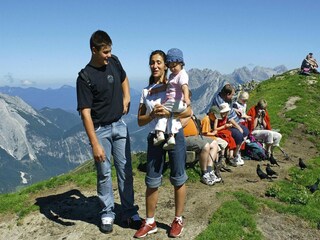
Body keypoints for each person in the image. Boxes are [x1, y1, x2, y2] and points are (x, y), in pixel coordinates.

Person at [76, 30, 141, 234]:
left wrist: (127, 96)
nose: (109, 55)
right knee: (104, 173)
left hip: (119, 125)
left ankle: (129, 211)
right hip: (100, 130)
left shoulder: (114, 61)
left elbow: (124, 78)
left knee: (125, 170)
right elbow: (85, 114)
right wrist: (94, 143)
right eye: (105, 52)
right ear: (94, 50)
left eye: (110, 51)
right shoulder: (84, 77)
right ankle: (107, 212)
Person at [134, 50, 189, 238]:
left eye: (159, 62)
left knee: (178, 177)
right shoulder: (145, 91)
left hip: (175, 133)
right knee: (152, 179)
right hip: (155, 136)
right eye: (152, 62)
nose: (155, 66)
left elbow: (188, 112)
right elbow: (140, 120)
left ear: (166, 65)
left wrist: (168, 114)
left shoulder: (174, 84)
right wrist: (152, 115)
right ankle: (150, 222)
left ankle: (178, 219)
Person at [152, 48, 191, 150]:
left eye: (175, 66)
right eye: (170, 66)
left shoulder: (182, 74)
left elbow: (184, 86)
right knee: (172, 117)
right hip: (175, 103)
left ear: (181, 63)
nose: (173, 68)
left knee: (161, 112)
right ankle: (171, 137)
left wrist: (186, 97)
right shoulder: (173, 75)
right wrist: (156, 90)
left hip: (175, 101)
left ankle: (160, 133)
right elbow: (168, 86)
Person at [180, 98, 222, 186]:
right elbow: (180, 124)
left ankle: (210, 170)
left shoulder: (188, 110)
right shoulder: (179, 112)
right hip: (185, 137)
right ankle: (204, 173)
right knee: (206, 146)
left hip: (196, 136)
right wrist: (189, 115)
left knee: (214, 144)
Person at [211, 84, 249, 166]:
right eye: (232, 95)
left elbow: (230, 109)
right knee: (239, 134)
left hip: (234, 121)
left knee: (246, 131)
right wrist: (238, 127)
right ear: (227, 94)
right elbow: (229, 118)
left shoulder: (226, 99)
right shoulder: (219, 102)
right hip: (226, 124)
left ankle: (237, 152)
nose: (232, 97)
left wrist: (234, 109)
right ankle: (233, 156)